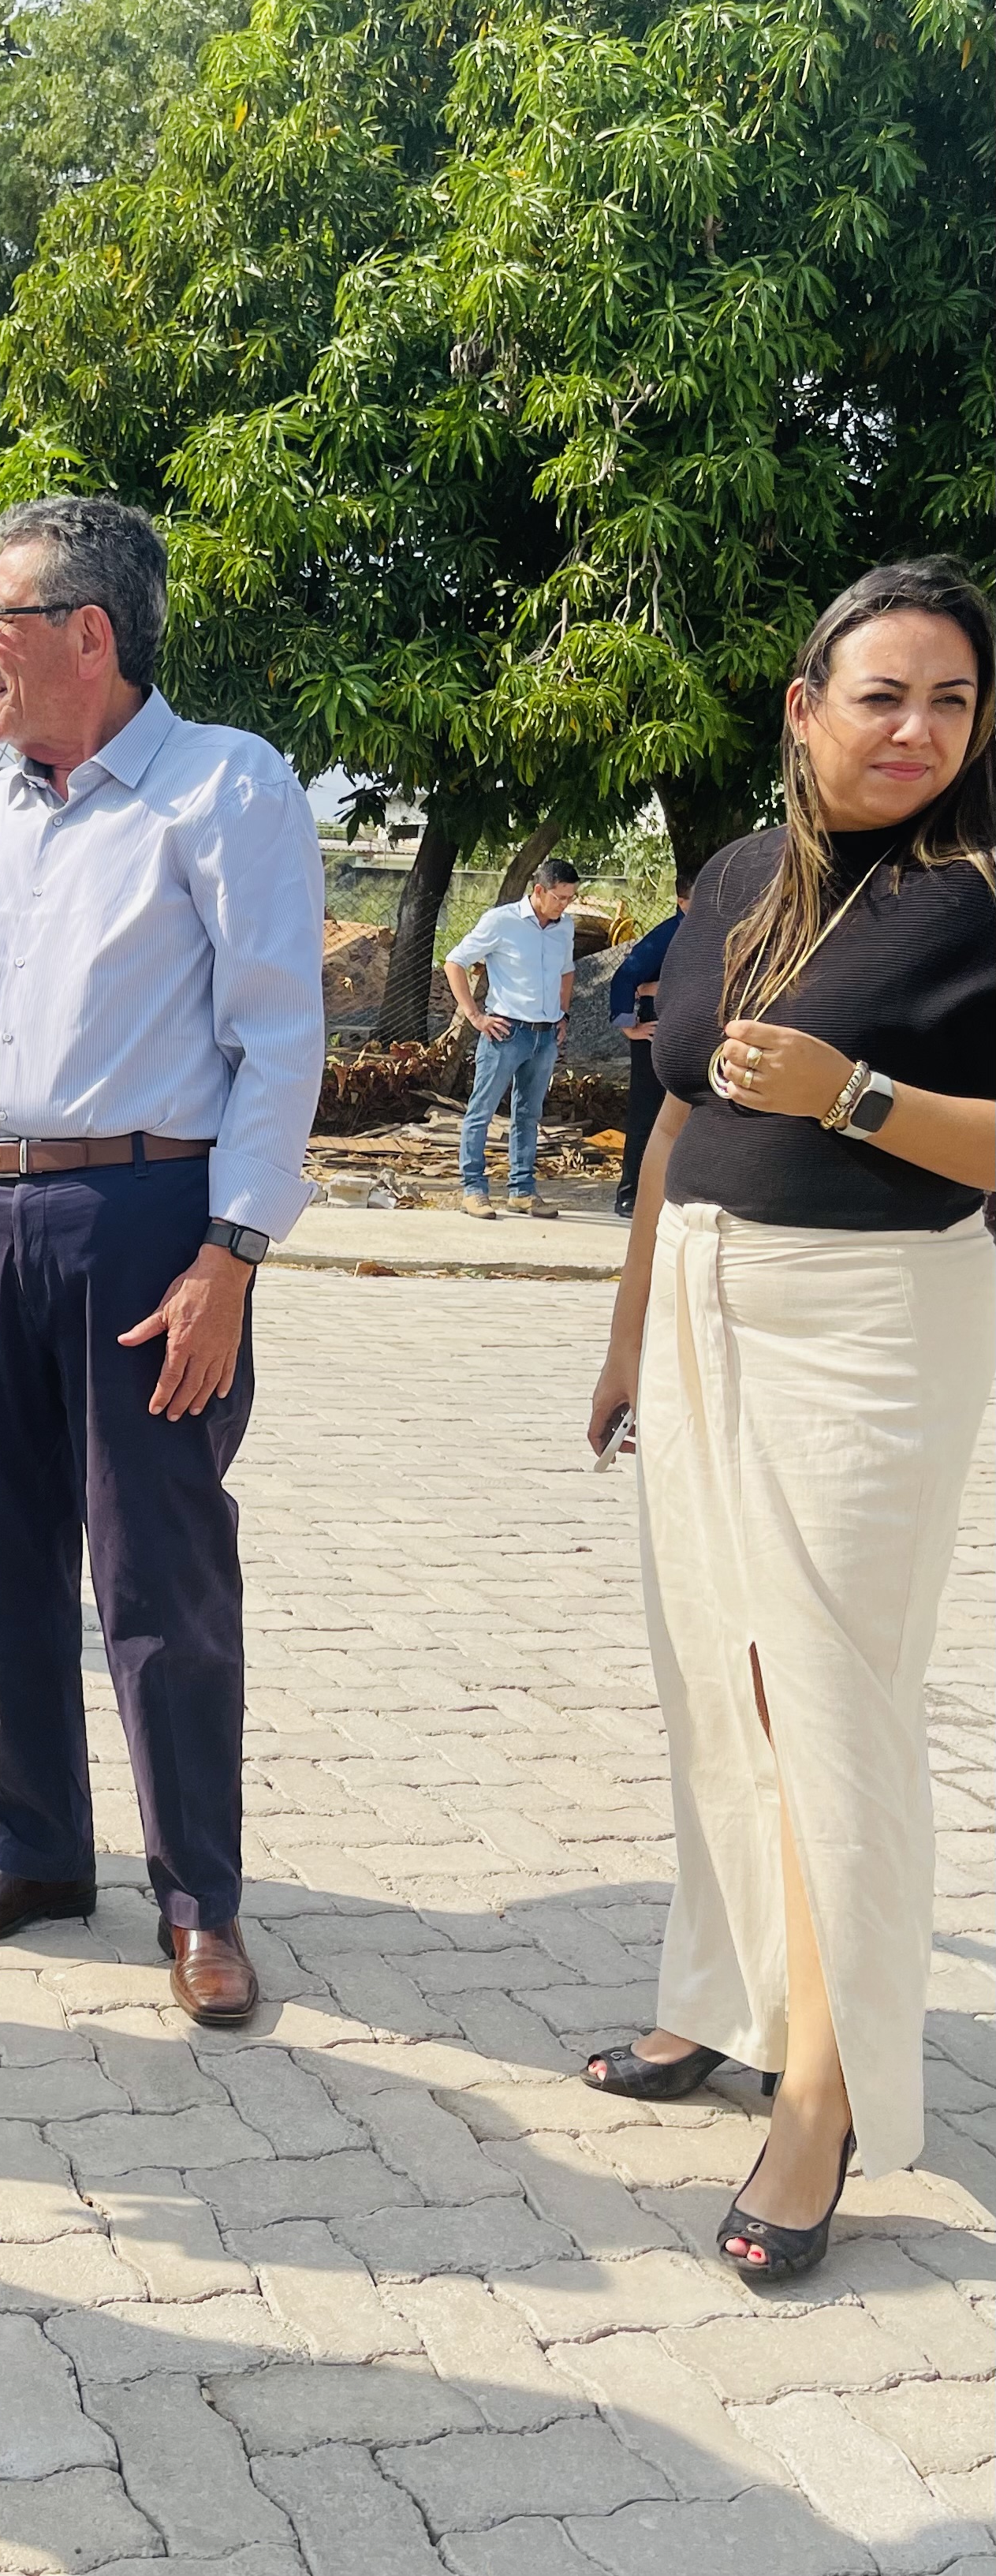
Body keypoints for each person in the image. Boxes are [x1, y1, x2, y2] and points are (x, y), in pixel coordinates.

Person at [584, 556, 996, 2286]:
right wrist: (622, 1336)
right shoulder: (736, 872)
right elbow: (673, 1120)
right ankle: (714, 1996)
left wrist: (860, 1095)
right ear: (801, 708)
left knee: (821, 1695)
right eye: (882, 694)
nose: (915, 729)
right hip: (696, 1299)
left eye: (952, 701)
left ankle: (821, 2100)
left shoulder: (978, 894)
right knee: (707, 1667)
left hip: (871, 1325)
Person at [0, 495, 325, 2026]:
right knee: (2, 1566)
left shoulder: (221, 790)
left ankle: (196, 1899)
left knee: (159, 1578)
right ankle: (36, 1849)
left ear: (89, 633)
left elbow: (276, 1039)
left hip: (145, 1227)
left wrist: (231, 1254)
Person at [444, 856, 580, 1218]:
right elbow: (454, 962)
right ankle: (473, 1189)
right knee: (482, 1111)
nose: (564, 905)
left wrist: (563, 1014)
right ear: (539, 890)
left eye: (570, 899)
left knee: (529, 1114)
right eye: (559, 898)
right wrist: (475, 1016)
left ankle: (522, 1190)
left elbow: (567, 971)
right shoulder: (501, 921)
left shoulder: (564, 927)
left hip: (546, 1035)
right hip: (506, 1032)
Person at [606, 872, 692, 1217]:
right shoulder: (670, 933)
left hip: (689, 1032)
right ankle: (630, 1194)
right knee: (647, 1113)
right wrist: (629, 1025)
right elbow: (626, 975)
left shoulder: (709, 932)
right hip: (656, 1032)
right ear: (681, 902)